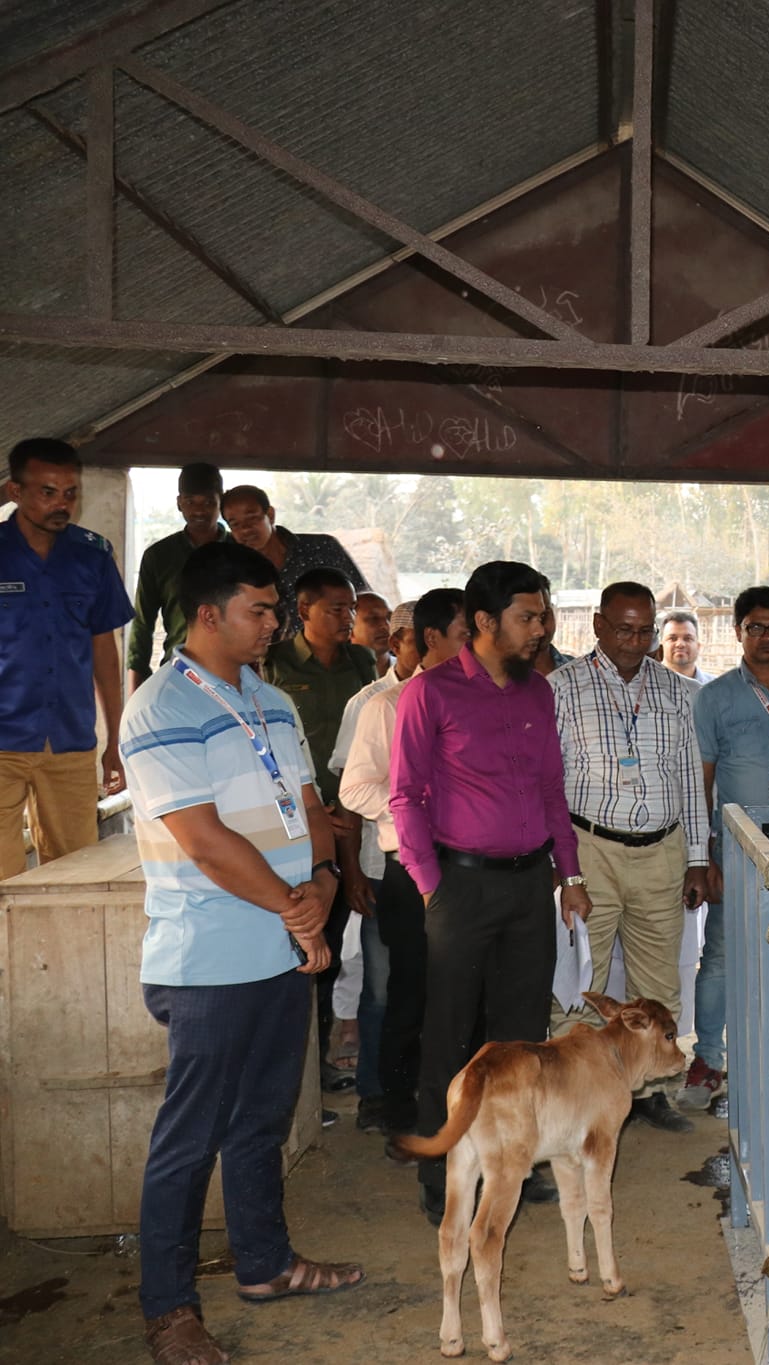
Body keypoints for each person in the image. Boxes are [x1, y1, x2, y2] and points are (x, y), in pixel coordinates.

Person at [120, 538, 361, 1365]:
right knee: (189, 1137)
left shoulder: (274, 700)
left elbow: (310, 804)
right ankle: (169, 1310)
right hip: (211, 957)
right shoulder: (160, 708)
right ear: (208, 613)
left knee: (261, 1123)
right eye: (260, 611)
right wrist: (302, 915)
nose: (274, 624)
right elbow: (203, 840)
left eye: (276, 610)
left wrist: (326, 877)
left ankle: (265, 1265)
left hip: (281, 945)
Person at [389, 561, 589, 1222]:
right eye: (528, 616)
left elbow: (551, 791)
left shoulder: (539, 693)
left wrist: (569, 875)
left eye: (543, 615)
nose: (542, 628)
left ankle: (511, 1161)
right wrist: (430, 886)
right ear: (483, 621)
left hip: (531, 885)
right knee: (448, 1035)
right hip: (461, 886)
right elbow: (405, 795)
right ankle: (438, 1173)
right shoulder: (431, 694)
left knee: (519, 1039)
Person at [551, 582, 713, 1132]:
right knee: (579, 984)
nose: (635, 641)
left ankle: (652, 1094)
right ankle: (569, 1099)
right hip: (589, 849)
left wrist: (696, 858)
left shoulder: (678, 692)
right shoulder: (562, 688)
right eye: (624, 629)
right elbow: (548, 784)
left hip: (662, 853)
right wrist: (563, 865)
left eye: (645, 631)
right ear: (597, 625)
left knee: (659, 983)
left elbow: (692, 782)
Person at [337, 588, 468, 1137]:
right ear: (430, 639)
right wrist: (413, 809)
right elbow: (353, 790)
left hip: (470, 867)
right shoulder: (383, 706)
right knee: (406, 992)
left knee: (464, 992)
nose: (475, 647)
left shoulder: (479, 701)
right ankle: (395, 1104)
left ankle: (459, 1107)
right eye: (465, 636)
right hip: (406, 868)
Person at [686, 586, 769, 1108]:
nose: (767, 638)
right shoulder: (715, 698)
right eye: (756, 628)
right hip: (738, 848)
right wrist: (702, 858)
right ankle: (708, 1059)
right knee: (720, 954)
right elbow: (702, 781)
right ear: (738, 631)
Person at [264, 566, 377, 1085]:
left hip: (350, 823)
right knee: (293, 943)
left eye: (351, 608)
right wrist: (312, 811)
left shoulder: (362, 662)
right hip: (295, 824)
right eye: (335, 608)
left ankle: (320, 1067)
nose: (346, 618)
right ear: (303, 610)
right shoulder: (275, 664)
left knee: (330, 946)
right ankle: (295, 1072)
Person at [1, 438, 132, 883]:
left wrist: (115, 738)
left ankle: (56, 958)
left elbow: (104, 651)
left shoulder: (92, 555)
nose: (62, 504)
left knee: (75, 874)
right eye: (47, 492)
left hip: (71, 742)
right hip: (2, 742)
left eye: (70, 492)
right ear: (14, 491)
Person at [327, 599, 421, 1130]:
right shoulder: (370, 704)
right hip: (379, 867)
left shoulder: (446, 697)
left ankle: (409, 1089)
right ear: (397, 645)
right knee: (381, 986)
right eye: (415, 640)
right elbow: (349, 796)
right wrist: (354, 874)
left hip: (426, 872)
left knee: (415, 985)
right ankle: (374, 1093)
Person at [127, 461, 226, 692]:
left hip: (233, 674)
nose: (199, 511)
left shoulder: (240, 551)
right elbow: (142, 625)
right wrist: (135, 690)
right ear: (179, 503)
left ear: (221, 502)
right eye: (191, 502)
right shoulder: (159, 556)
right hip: (178, 675)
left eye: (208, 502)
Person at [221, 484, 366, 639]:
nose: (245, 529)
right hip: (271, 660)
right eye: (235, 524)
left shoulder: (322, 548)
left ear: (270, 515)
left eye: (252, 518)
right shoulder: (233, 570)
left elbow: (364, 601)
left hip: (337, 654)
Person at [656, 607, 715, 684]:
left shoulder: (715, 687)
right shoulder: (646, 685)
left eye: (687, 638)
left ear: (698, 646)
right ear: (661, 647)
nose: (680, 644)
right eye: (672, 638)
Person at [352, 591, 394, 677]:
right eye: (373, 618)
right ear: (349, 628)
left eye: (389, 617)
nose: (386, 625)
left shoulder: (411, 672)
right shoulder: (339, 680)